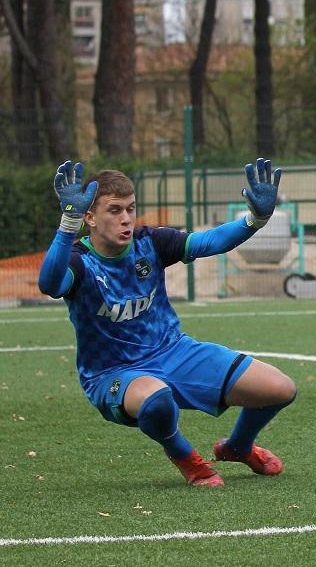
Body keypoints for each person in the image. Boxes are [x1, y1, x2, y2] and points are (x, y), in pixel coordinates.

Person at [38, 159, 297, 487]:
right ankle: (184, 456)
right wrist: (67, 225)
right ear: (89, 216)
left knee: (280, 389)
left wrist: (255, 219)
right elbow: (50, 284)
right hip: (113, 373)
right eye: (114, 210)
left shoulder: (151, 243)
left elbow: (209, 242)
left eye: (131, 208)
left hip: (175, 352)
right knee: (157, 399)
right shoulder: (79, 260)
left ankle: (237, 447)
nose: (126, 219)